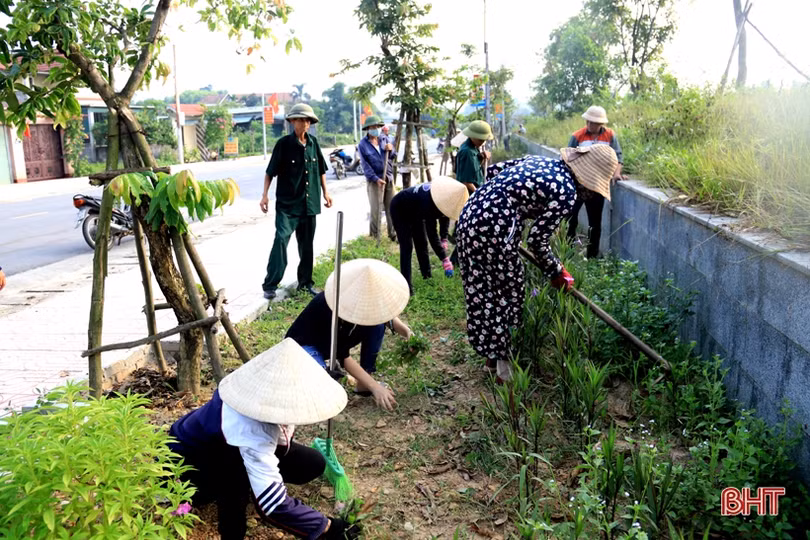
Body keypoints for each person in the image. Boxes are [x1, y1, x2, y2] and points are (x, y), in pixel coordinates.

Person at [168, 338, 360, 540]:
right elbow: (274, 506)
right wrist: (327, 527)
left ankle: (256, 480)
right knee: (236, 482)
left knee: (312, 463)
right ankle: (232, 529)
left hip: (224, 445)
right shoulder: (249, 429)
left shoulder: (266, 396)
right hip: (190, 468)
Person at [457, 145, 618, 382]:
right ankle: (505, 373)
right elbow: (537, 240)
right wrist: (557, 271)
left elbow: (492, 172)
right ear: (587, 181)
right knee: (509, 293)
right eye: (593, 189)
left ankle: (492, 359)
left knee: (483, 289)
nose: (592, 194)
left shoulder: (541, 162)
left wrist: (502, 208)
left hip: (469, 216)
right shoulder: (566, 191)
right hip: (493, 231)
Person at [286, 258, 412, 411]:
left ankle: (363, 382)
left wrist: (407, 333)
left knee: (377, 323)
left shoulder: (366, 303)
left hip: (333, 343)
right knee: (320, 393)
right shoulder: (330, 308)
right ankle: (333, 373)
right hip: (305, 347)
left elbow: (385, 315)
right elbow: (343, 356)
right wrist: (375, 387)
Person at [260, 104, 333, 300]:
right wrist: (264, 195)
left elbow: (321, 171)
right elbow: (270, 172)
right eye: (301, 120)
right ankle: (270, 284)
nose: (305, 123)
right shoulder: (283, 144)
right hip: (287, 206)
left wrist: (326, 193)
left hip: (310, 204)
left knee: (307, 246)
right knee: (280, 240)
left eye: (308, 120)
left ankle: (305, 283)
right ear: (293, 121)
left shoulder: (313, 143)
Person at [389, 176, 469, 294]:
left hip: (415, 209)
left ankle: (427, 276)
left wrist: (444, 238)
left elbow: (444, 217)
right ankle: (407, 286)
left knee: (422, 243)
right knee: (407, 247)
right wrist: (444, 258)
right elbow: (432, 235)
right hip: (400, 208)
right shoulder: (430, 203)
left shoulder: (445, 199)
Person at [566, 105, 626, 258]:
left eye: (593, 122)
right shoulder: (578, 136)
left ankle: (592, 256)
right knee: (570, 219)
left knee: (595, 223)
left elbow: (618, 156)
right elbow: (568, 157)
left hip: (597, 185)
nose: (590, 124)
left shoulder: (610, 135)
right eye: (588, 121)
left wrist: (616, 173)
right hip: (578, 185)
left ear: (601, 124)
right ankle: (567, 253)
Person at [357, 115, 396, 241]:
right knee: (376, 209)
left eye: (377, 126)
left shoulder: (385, 139)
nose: (376, 129)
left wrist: (391, 149)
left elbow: (393, 156)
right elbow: (365, 165)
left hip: (388, 177)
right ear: (368, 129)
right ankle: (375, 236)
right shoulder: (363, 145)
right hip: (375, 181)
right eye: (373, 127)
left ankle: (393, 234)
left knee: (392, 207)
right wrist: (375, 179)